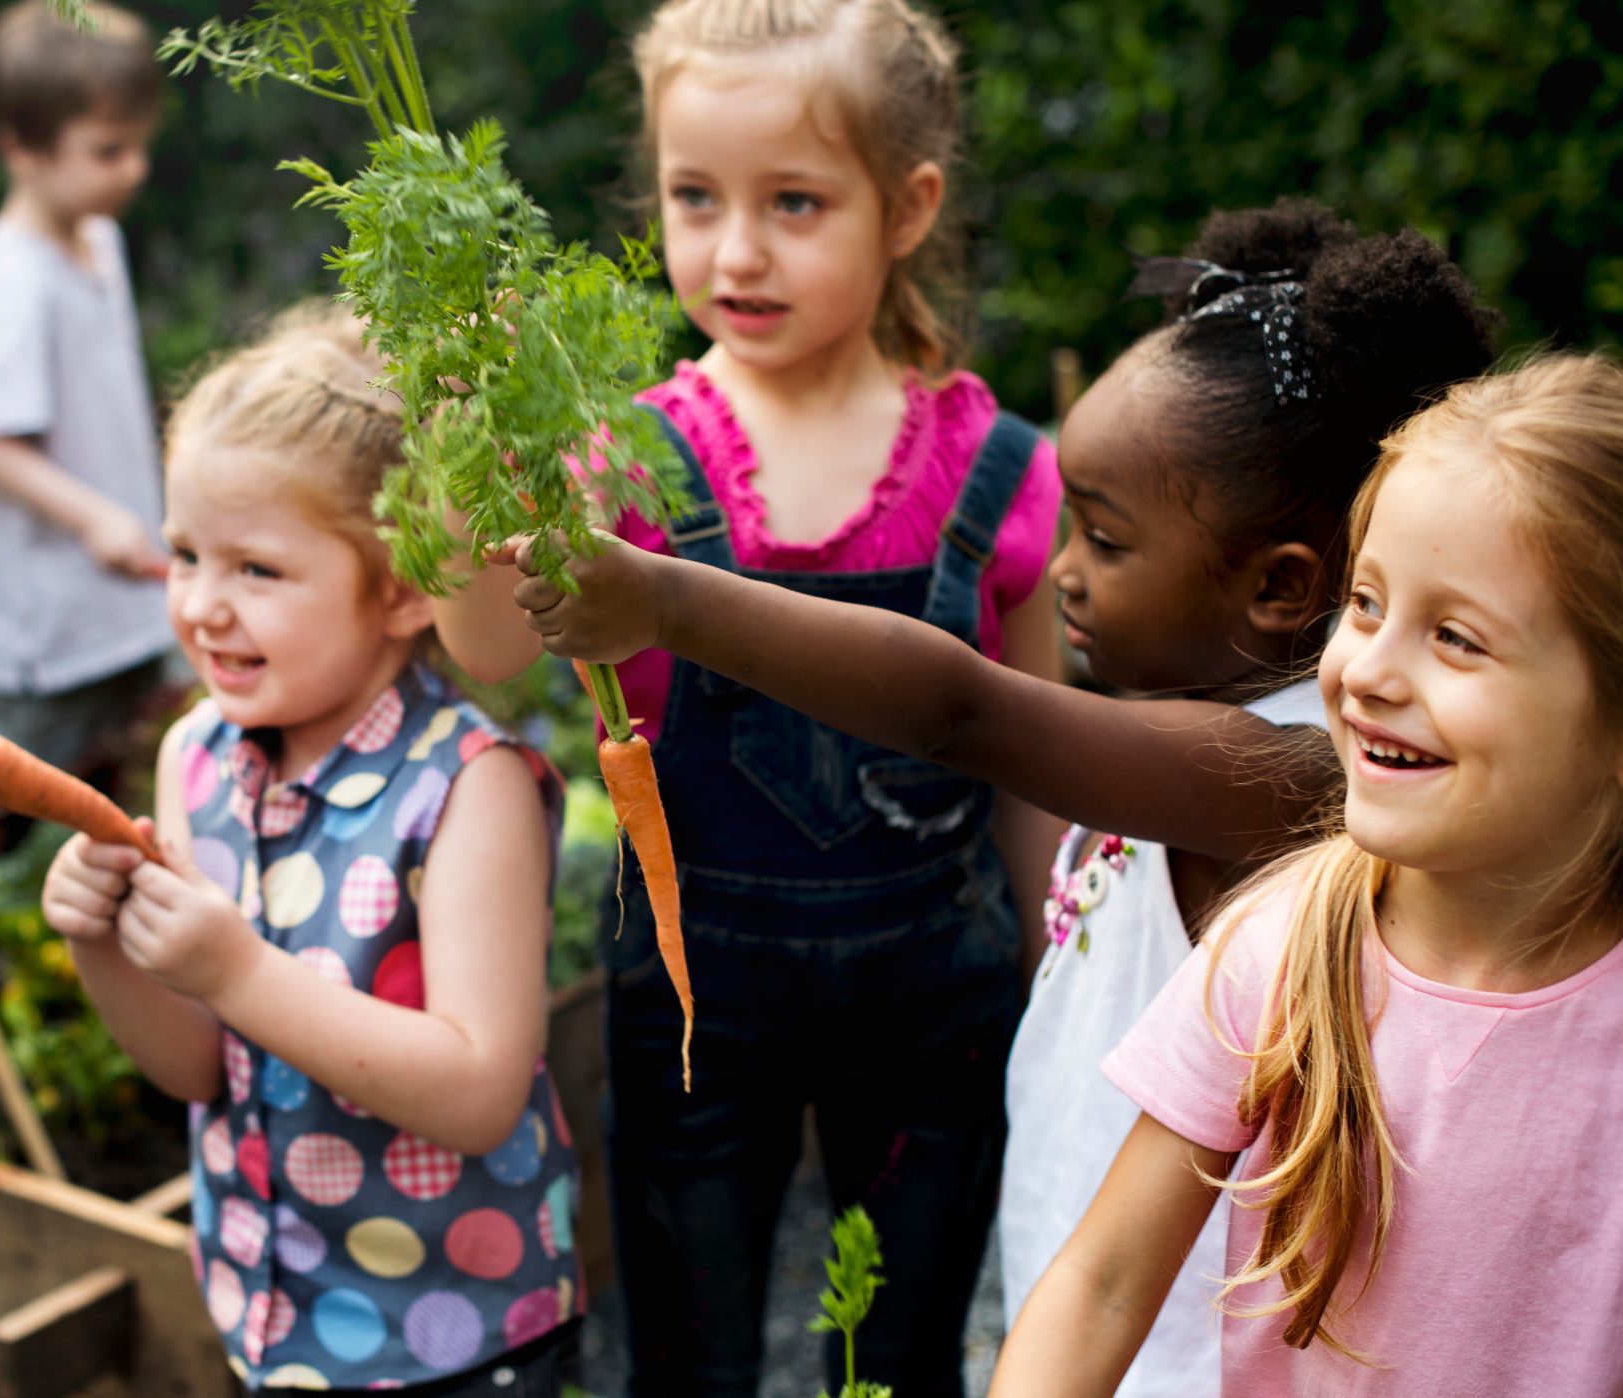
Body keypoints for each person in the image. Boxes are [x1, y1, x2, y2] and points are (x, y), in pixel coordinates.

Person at [499, 200, 1498, 1395]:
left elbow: (959, 711)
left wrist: (670, 604)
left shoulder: (1291, 777)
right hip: (1082, 1305)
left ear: (1277, 588)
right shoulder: (1178, 735)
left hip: (1169, 1355)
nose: (1061, 571)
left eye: (1104, 541)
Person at [437, 2, 1067, 1392]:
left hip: (936, 1011)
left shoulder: (999, 470)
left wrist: (1056, 982)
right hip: (692, 1009)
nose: (734, 252)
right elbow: (485, 644)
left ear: (908, 208)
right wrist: (464, 440)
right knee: (688, 1355)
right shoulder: (617, 455)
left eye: (794, 202)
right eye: (693, 197)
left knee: (899, 1356)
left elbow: (1039, 758)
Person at [989, 352, 1623, 1395]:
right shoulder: (1279, 947)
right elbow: (1100, 1286)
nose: (1366, 671)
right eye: (1364, 604)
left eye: (1454, 638)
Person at [41, 307, 582, 1395]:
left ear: (400, 589)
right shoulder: (197, 756)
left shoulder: (467, 786)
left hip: (454, 1337)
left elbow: (479, 1091)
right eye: (185, 554)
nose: (203, 606)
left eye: (256, 569)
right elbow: (201, 1067)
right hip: (273, 1313)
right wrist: (104, 946)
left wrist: (235, 969)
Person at [0, 0, 172, 777]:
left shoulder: (99, 239)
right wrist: (96, 517)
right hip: (49, 624)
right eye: (109, 150)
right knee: (44, 792)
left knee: (128, 774)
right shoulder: (12, 278)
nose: (135, 169)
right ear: (21, 148)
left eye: (139, 144)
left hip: (120, 598)